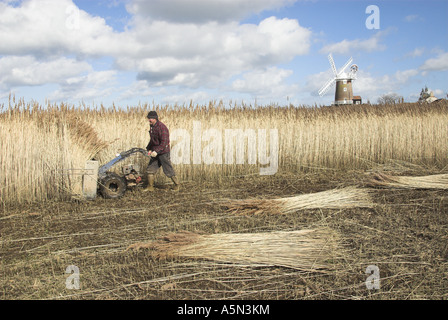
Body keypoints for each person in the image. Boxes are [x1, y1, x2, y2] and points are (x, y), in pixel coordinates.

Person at [143, 111, 180, 191]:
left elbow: (165, 142)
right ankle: (150, 187)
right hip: (155, 153)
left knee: (168, 170)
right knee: (150, 170)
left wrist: (156, 151)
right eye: (148, 118)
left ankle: (177, 185)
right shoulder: (152, 127)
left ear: (155, 118)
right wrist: (148, 148)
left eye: (151, 118)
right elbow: (153, 140)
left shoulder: (162, 127)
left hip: (163, 153)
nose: (149, 120)